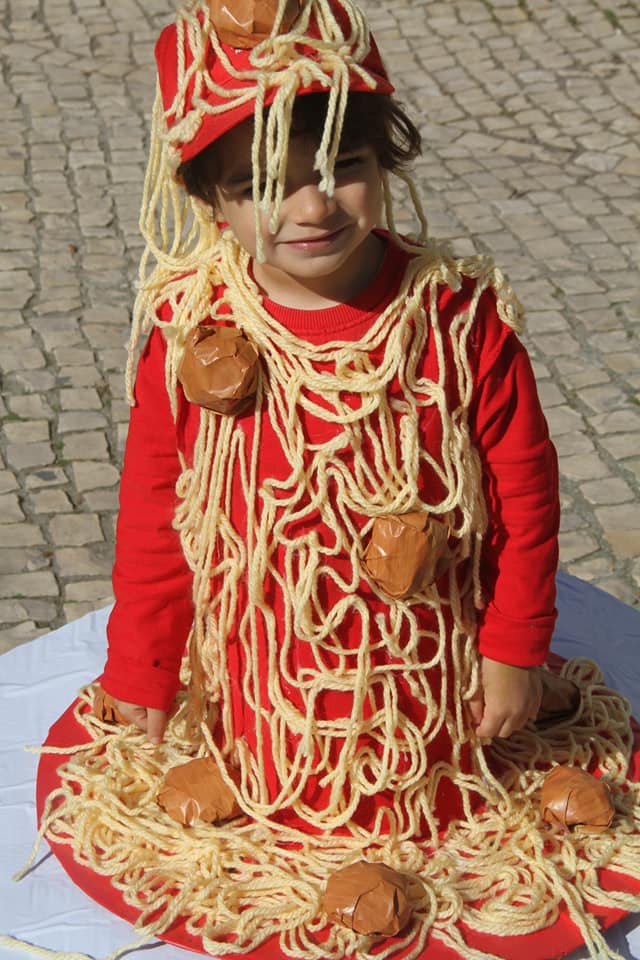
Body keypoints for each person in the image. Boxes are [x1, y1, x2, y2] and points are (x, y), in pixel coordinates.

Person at [41, 2, 640, 958]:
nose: (312, 206)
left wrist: (515, 645)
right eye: (261, 184)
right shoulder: (192, 332)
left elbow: (525, 495)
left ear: (385, 162)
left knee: (430, 777)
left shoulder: (457, 320)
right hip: (260, 686)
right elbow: (157, 514)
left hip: (433, 697)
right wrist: (144, 666)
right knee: (266, 751)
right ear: (210, 201)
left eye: (342, 165)